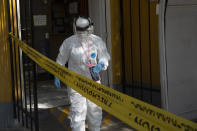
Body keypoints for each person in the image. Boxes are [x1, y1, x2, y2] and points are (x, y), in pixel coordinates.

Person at [54, 16, 110, 131]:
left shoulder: (97, 41)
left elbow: (104, 56)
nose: (82, 33)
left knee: (95, 111)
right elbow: (61, 60)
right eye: (79, 30)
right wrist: (57, 74)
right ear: (75, 28)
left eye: (84, 30)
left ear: (90, 28)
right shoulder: (69, 42)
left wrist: (101, 64)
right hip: (75, 83)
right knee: (78, 112)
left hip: (93, 82)